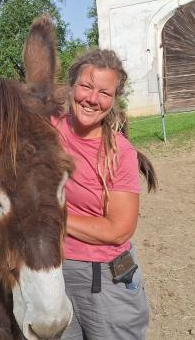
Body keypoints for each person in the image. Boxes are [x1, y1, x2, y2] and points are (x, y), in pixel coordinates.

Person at [51, 49, 157, 339]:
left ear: (113, 100)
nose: (92, 99)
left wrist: (49, 215)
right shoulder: (48, 130)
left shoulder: (120, 153)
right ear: (70, 87)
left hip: (105, 280)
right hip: (52, 276)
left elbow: (119, 230)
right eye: (86, 86)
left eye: (104, 93)